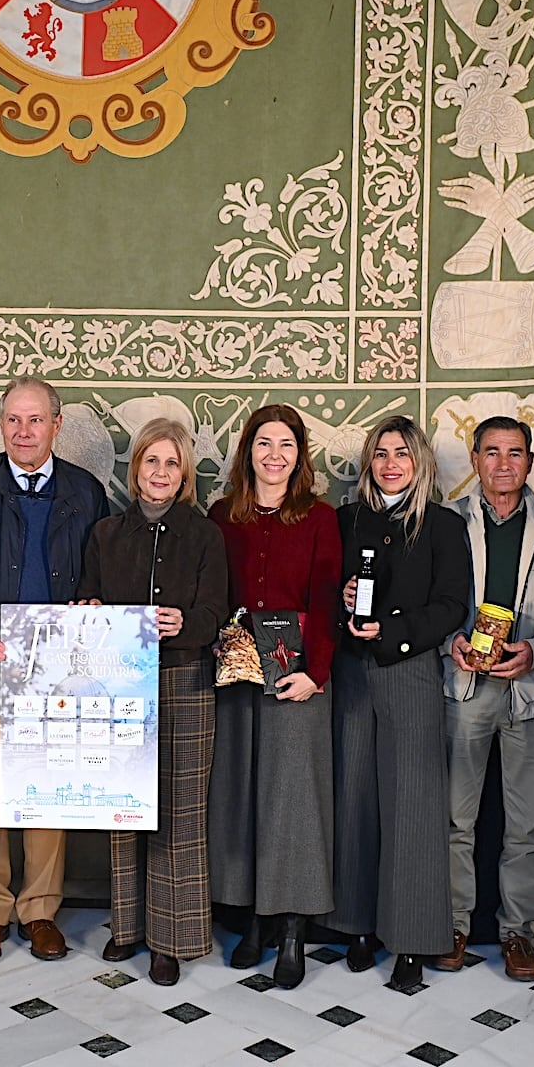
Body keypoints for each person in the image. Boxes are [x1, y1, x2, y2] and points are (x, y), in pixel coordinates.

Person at [0, 376, 109, 964]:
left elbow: (97, 570)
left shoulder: (86, 491)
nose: (23, 432)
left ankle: (39, 910)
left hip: (58, 677)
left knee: (48, 792)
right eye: (13, 420)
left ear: (56, 425)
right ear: (1, 423)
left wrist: (89, 607)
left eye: (35, 421)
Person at [80, 418, 229, 986]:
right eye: (150, 462)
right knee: (124, 807)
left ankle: (171, 937)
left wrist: (187, 622)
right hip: (120, 684)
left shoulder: (204, 534)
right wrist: (91, 606)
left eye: (171, 463)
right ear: (135, 468)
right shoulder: (106, 535)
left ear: (184, 473)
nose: (160, 473)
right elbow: (86, 598)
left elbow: (218, 611)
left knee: (179, 811)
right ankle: (128, 925)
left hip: (186, 679)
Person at [325, 415, 470, 990]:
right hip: (352, 675)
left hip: (409, 671)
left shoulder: (440, 525)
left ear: (420, 464)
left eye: (401, 454)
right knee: (354, 793)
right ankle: (357, 924)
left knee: (412, 803)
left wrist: (391, 633)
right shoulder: (345, 520)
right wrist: (342, 611)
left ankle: (410, 939)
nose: (390, 464)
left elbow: (451, 606)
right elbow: (324, 590)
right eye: (381, 453)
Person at [435, 416, 534, 981]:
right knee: (456, 816)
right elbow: (437, 599)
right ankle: (453, 924)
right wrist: (452, 642)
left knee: (526, 823)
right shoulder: (448, 524)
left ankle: (518, 930)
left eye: (515, 453)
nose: (503, 464)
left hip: (533, 693)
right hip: (465, 687)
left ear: (530, 461)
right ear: (475, 459)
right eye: (491, 452)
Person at [208, 403, 342, 989]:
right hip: (237, 673)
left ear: (299, 455)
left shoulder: (319, 518)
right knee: (243, 797)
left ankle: (291, 928)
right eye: (264, 443)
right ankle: (253, 921)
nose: (274, 455)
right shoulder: (221, 516)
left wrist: (317, 673)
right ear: (248, 452)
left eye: (286, 445)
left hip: (298, 675)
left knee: (292, 802)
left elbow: (330, 595)